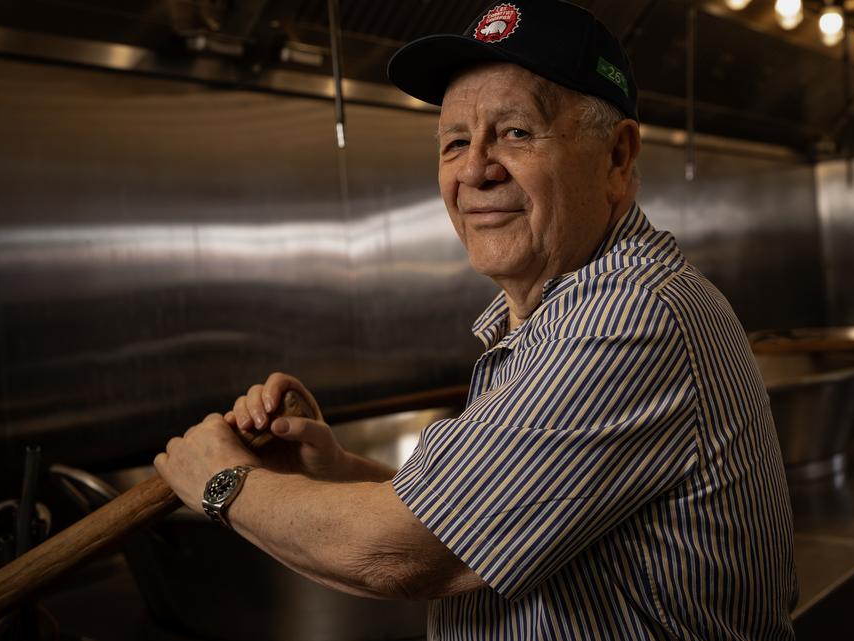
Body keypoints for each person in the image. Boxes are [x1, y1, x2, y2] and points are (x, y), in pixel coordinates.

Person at [154, 1, 798, 638]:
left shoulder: (629, 315)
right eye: (455, 141)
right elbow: (490, 513)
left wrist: (220, 481)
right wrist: (341, 473)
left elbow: (404, 553)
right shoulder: (554, 313)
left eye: (517, 132)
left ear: (617, 158)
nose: (475, 170)